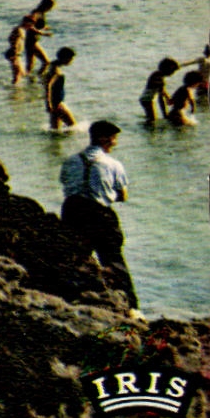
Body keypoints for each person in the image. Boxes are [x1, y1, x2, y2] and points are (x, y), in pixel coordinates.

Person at [59, 120, 138, 313]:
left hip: (72, 211)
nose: (115, 143)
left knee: (76, 257)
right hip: (99, 213)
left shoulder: (70, 161)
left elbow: (66, 184)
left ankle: (70, 298)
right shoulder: (113, 164)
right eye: (113, 139)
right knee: (114, 261)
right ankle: (131, 307)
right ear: (104, 139)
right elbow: (122, 196)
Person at [19, 0, 56, 76]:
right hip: (31, 41)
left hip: (32, 41)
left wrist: (45, 27)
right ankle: (38, 77)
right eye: (51, 7)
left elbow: (37, 25)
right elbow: (30, 26)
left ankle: (28, 81)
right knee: (46, 62)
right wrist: (43, 34)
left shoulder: (41, 13)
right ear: (47, 6)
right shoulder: (37, 13)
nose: (51, 9)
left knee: (30, 66)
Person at [45, 47, 79, 131]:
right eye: (71, 59)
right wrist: (48, 103)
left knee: (55, 130)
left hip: (55, 103)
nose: (71, 61)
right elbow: (48, 85)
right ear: (65, 58)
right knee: (73, 127)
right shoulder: (56, 70)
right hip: (57, 103)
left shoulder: (53, 65)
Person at [138, 57, 178, 123]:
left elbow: (162, 93)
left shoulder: (159, 76)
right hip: (147, 99)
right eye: (173, 71)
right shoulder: (157, 76)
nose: (173, 73)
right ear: (168, 69)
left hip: (148, 99)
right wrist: (168, 99)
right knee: (152, 119)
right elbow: (162, 92)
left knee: (152, 117)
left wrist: (168, 99)